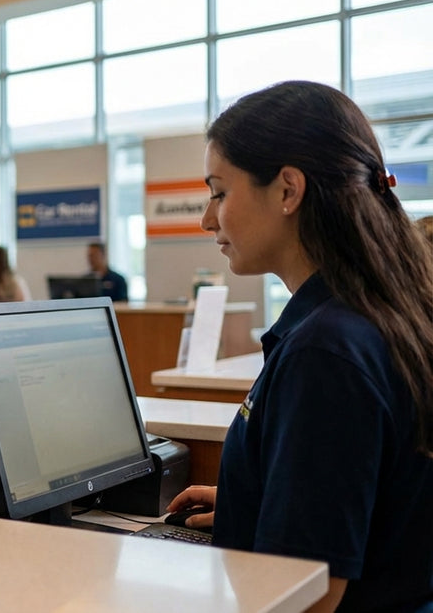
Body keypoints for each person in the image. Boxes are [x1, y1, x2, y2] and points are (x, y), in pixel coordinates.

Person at [165, 81, 433, 612]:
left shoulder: (326, 352)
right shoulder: (389, 313)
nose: (207, 219)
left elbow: (307, 600)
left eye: (220, 191)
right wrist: (267, 502)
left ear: (288, 190)